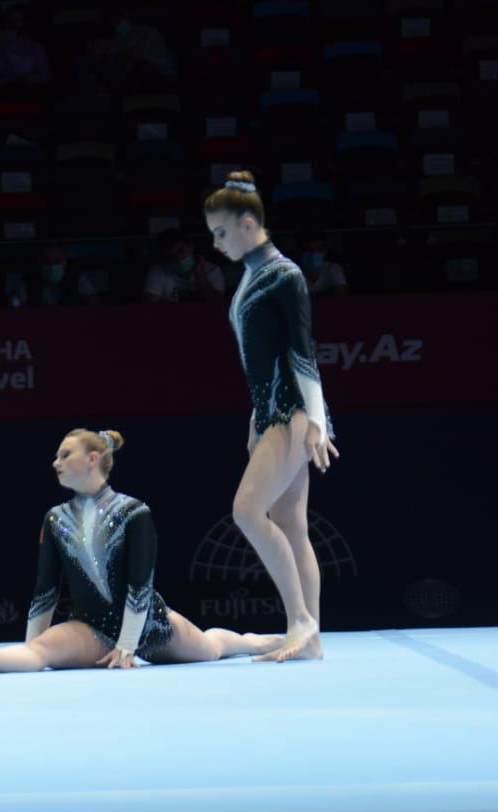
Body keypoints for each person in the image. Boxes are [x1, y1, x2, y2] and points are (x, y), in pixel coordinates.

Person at [0, 429, 281, 674]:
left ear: (92, 459)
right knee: (41, 653)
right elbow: (46, 590)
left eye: (65, 454)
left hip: (150, 625)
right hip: (91, 628)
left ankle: (252, 641)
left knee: (209, 649)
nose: (56, 463)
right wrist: (26, 646)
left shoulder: (134, 512)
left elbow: (141, 583)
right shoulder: (55, 519)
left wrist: (127, 646)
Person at [203, 171, 339, 663]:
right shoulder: (249, 279)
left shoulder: (286, 275)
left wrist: (317, 421)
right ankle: (309, 638)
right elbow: (258, 361)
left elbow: (303, 353)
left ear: (246, 223)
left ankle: (301, 620)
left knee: (247, 511)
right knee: (290, 523)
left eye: (220, 232)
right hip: (269, 412)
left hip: (293, 411)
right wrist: (254, 416)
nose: (216, 243)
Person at [143, 229, 225, 303]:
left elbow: (217, 303)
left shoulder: (213, 270)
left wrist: (199, 273)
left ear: (191, 246)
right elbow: (151, 306)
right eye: (171, 256)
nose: (179, 258)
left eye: (181, 251)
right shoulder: (158, 271)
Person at [299, 232, 348, 297]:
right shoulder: (292, 270)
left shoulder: (333, 268)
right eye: (309, 249)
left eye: (318, 249)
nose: (313, 253)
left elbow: (339, 293)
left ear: (324, 252)